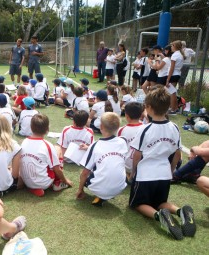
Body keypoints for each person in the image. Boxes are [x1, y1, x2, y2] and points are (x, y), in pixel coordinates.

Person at [129, 87, 196, 240]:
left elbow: (137, 155)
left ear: (149, 108)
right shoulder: (174, 127)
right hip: (164, 174)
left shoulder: (145, 129)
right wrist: (171, 171)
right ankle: (180, 211)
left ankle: (159, 217)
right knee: (160, 202)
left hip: (145, 175)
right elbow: (177, 154)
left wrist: (133, 172)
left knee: (137, 204)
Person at [77, 112, 128, 206]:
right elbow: (109, 150)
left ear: (101, 126)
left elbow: (84, 173)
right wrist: (89, 148)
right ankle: (104, 194)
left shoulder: (96, 145)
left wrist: (80, 190)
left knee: (85, 173)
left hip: (101, 187)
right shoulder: (123, 141)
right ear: (118, 127)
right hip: (120, 187)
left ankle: (101, 195)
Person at [20, 114, 73, 197]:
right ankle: (58, 183)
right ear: (47, 129)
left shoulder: (24, 142)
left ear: (31, 127)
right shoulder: (47, 145)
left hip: (26, 181)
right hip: (43, 183)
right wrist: (66, 180)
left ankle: (33, 188)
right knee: (58, 149)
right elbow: (57, 169)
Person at [117, 102, 144, 180]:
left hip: (126, 165)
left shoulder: (121, 130)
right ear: (141, 114)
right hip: (142, 165)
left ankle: (127, 175)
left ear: (126, 115)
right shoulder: (146, 128)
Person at [167, 41, 185, 114]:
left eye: (172, 46)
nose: (171, 47)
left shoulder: (175, 55)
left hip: (173, 74)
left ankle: (173, 109)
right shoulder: (180, 54)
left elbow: (172, 68)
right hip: (177, 74)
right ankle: (174, 108)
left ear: (175, 46)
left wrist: (168, 79)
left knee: (172, 92)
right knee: (172, 91)